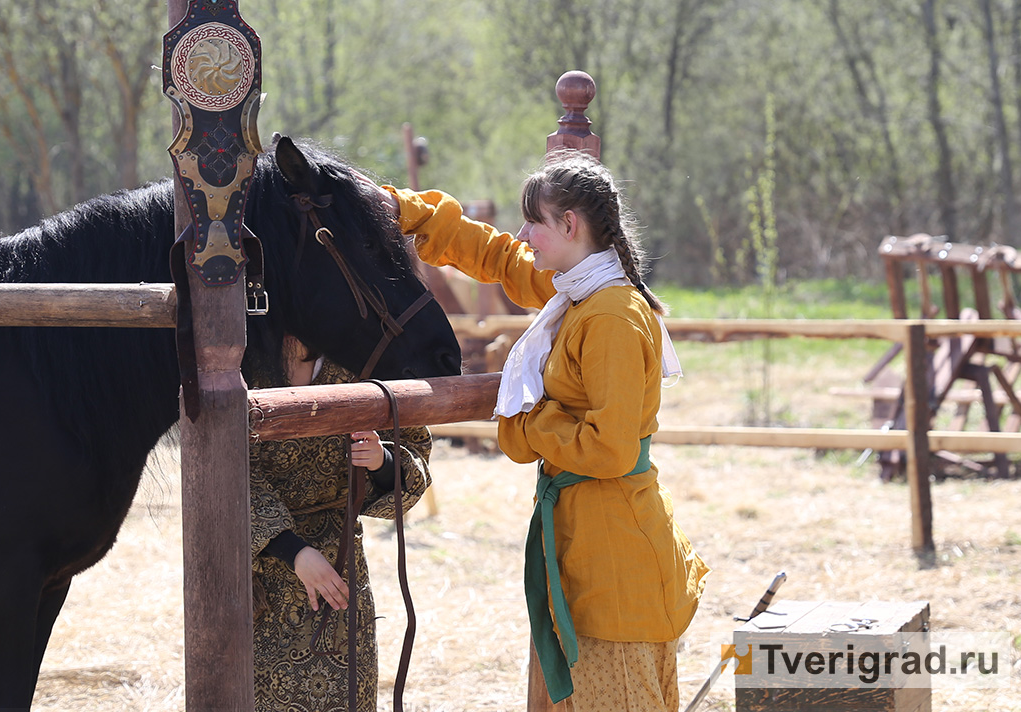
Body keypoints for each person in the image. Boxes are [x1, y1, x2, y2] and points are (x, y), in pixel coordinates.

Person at [370, 153, 708, 712]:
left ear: (570, 226)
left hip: (616, 559)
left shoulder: (609, 316)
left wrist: (528, 418)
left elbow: (611, 447)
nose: (523, 233)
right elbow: (499, 255)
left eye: (536, 222)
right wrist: (407, 211)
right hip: (585, 543)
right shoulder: (577, 294)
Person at [249, 335, 433, 712]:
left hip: (341, 567)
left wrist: (381, 461)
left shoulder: (361, 365)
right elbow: (219, 470)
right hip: (254, 578)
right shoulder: (238, 370)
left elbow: (415, 448)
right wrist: (294, 552)